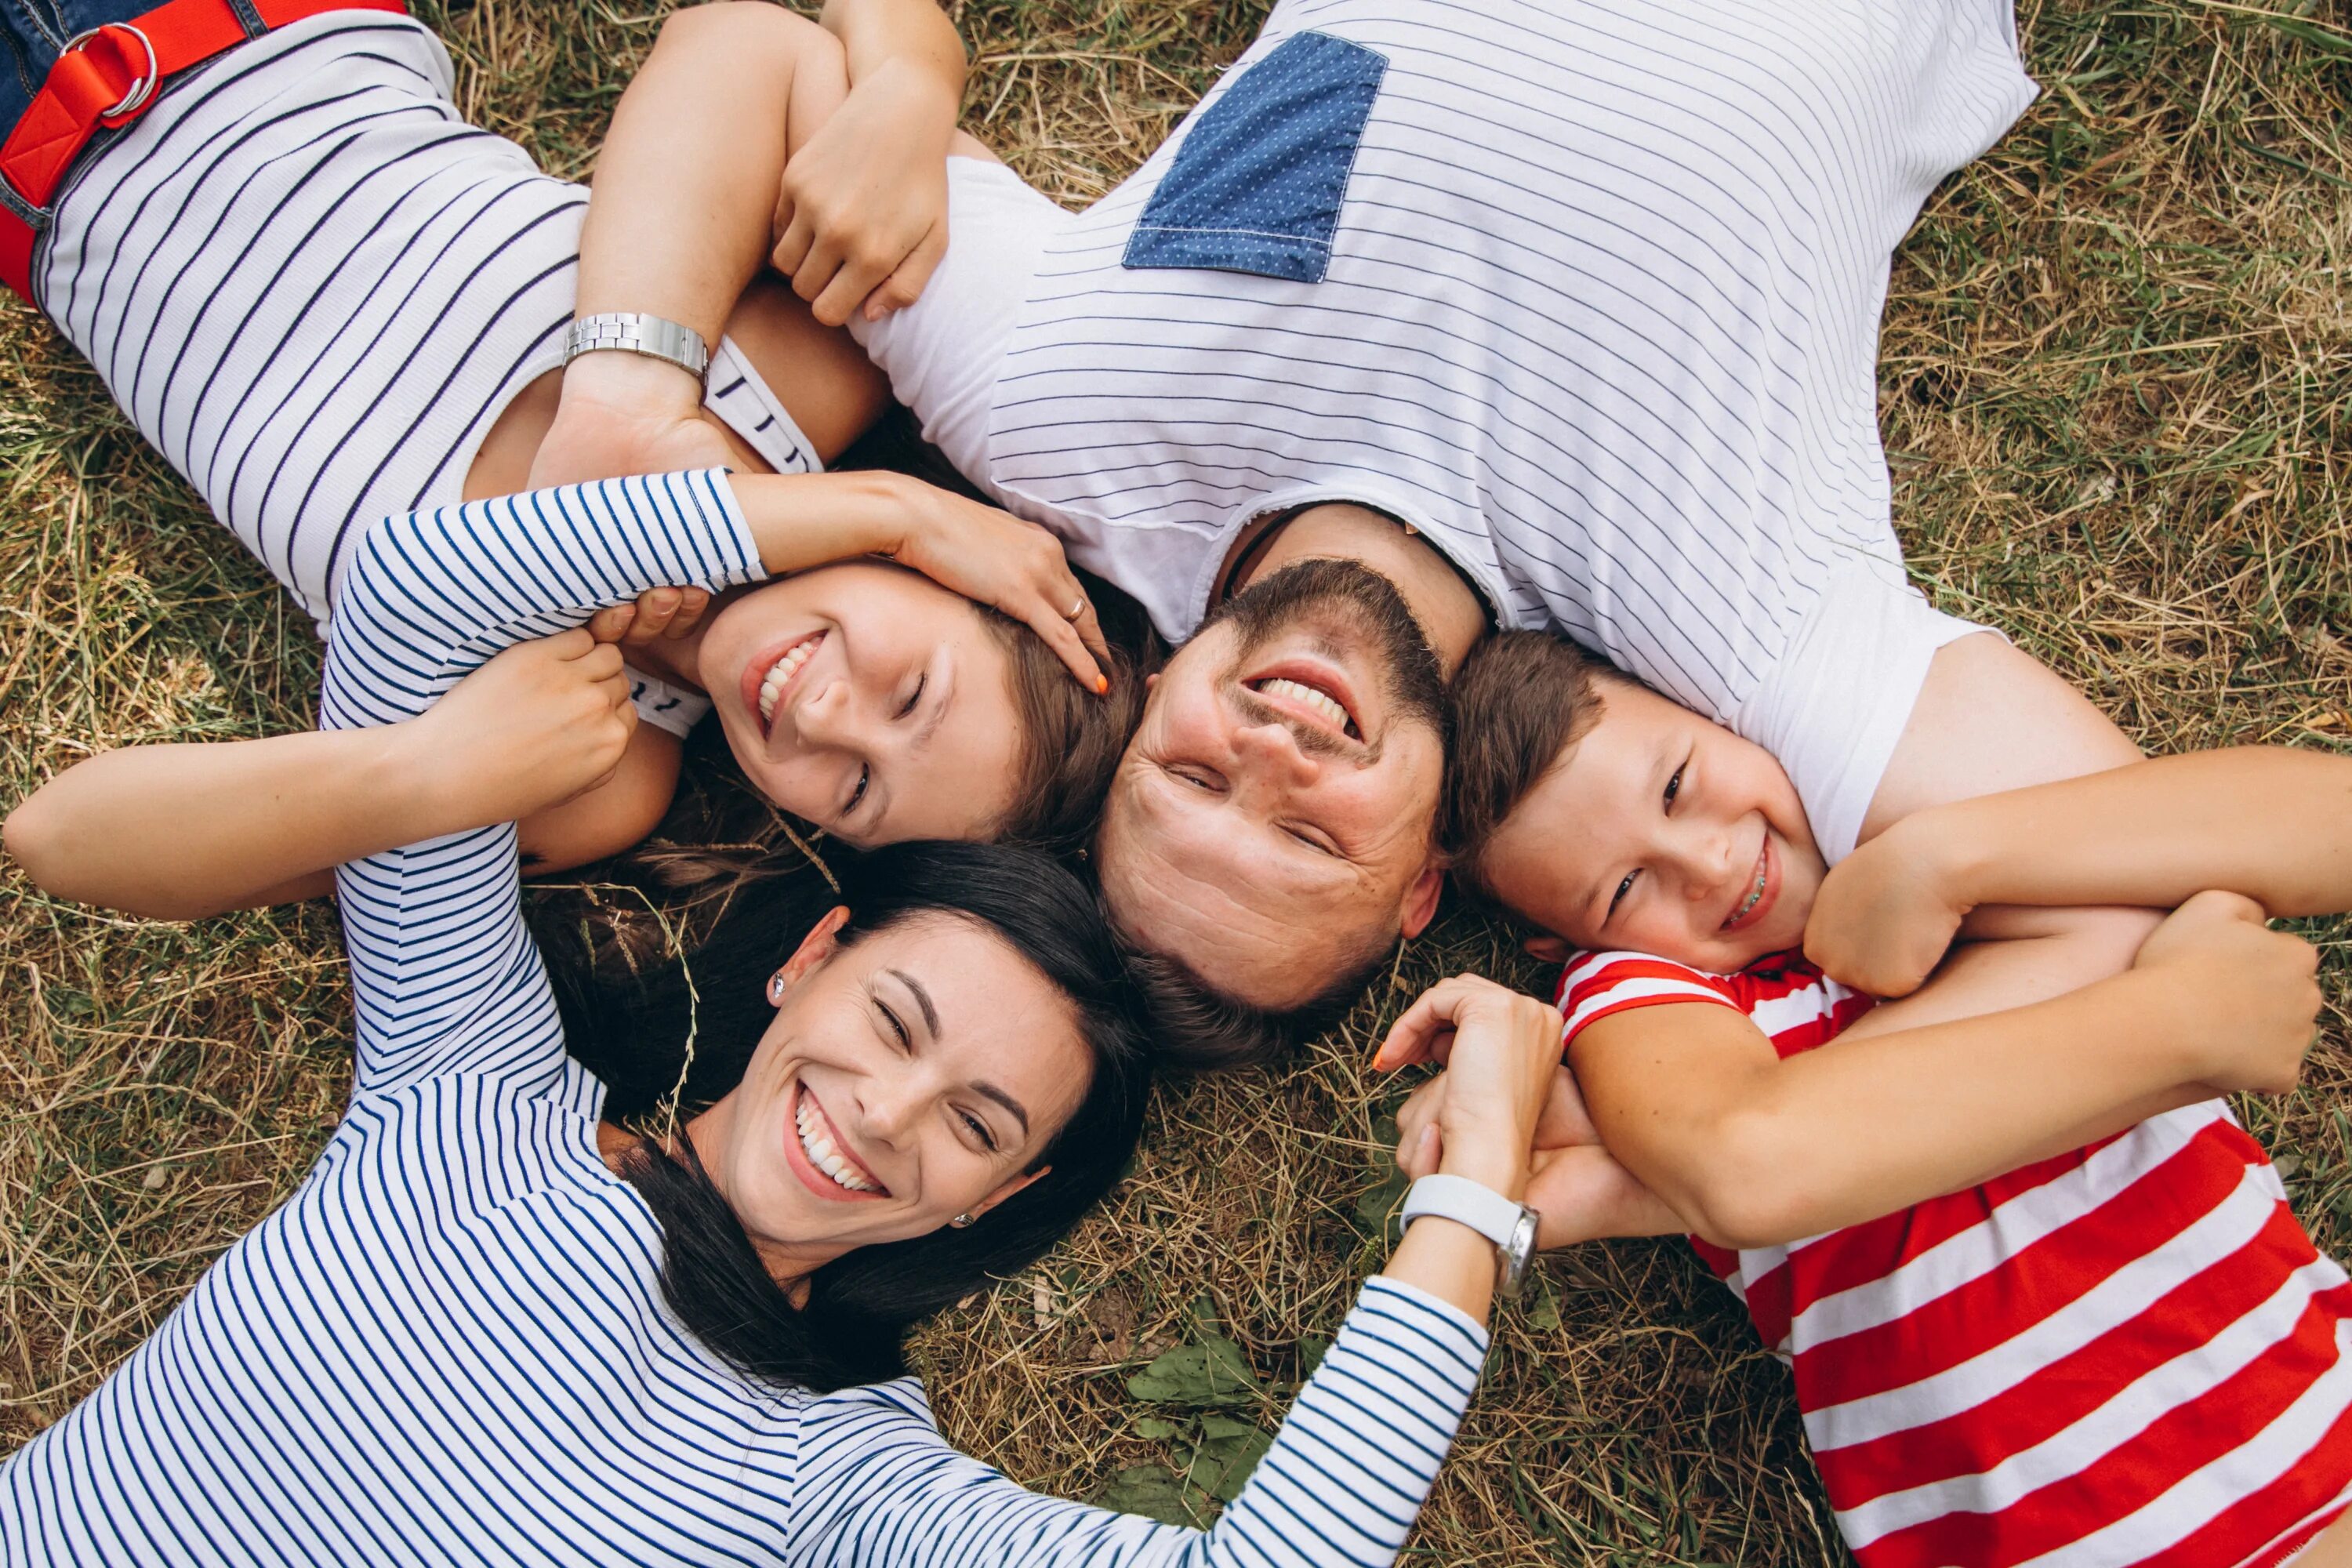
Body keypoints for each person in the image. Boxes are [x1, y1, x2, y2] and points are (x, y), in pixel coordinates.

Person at [532, 0, 2163, 1065]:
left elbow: (761, 64)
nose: (1275, 753)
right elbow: (2129, 891)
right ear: (1420, 881)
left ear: (1138, 701)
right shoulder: (1731, 633)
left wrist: (625, 396)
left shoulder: (1067, 424)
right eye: (1312, 834)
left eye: (1192, 780)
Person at [0, 469, 1567, 1565]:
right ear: (808, 956)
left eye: (976, 1122)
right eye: (893, 1018)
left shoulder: (835, 1482)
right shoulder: (465, 1084)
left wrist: (1474, 1189)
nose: (888, 1113)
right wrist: (886, 516)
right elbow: (423, 585)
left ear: (1003, 1194)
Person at [4, 0, 1142, 887]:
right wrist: (634, 401)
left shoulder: (595, 763)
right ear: (951, 573)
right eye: (911, 695)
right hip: (270, 31)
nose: (825, 719)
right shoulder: (808, 370)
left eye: (854, 792)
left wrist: (419, 776)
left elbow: (67, 839)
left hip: (32, 195)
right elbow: (754, 50)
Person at [1400, 628, 2352, 1566]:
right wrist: (2168, 1012)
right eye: (1622, 891)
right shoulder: (1651, 994)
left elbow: (2318, 822)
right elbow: (1742, 1145)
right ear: (1568, 948)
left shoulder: (1967, 837)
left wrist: (1946, 856)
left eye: (1679, 785)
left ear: (1720, 716)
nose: (1712, 864)